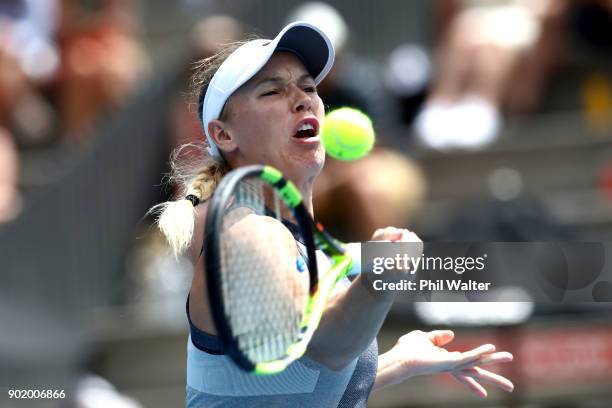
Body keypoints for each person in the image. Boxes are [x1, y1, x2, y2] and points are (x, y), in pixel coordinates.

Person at [151, 22, 514, 407]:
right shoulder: (250, 233)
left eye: (308, 87)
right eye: (273, 90)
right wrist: (380, 281)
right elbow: (327, 346)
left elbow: (297, 389)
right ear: (224, 135)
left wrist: (400, 361)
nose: (303, 98)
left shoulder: (302, 243)